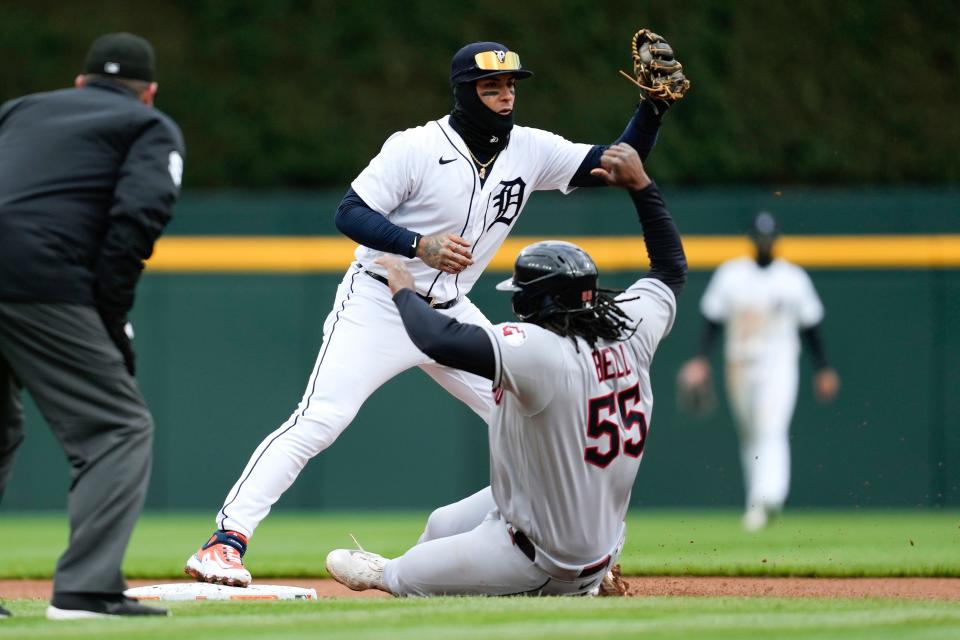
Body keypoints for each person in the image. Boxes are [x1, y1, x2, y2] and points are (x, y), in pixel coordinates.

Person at [186, 39, 686, 587]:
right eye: (490, 86)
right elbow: (349, 212)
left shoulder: (529, 148)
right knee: (321, 420)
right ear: (465, 91)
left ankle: (569, 552)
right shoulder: (416, 147)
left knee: (532, 422)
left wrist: (651, 110)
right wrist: (415, 244)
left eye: (511, 85)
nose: (504, 96)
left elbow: (615, 165)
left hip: (451, 307)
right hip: (379, 301)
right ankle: (224, 542)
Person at [323, 143, 684, 596]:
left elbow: (437, 340)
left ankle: (565, 588)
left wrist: (402, 291)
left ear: (539, 301)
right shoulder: (630, 325)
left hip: (545, 556)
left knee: (405, 574)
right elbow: (670, 269)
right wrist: (642, 187)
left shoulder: (540, 350)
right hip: (582, 515)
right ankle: (596, 573)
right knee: (441, 524)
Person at [0, 32, 184, 618]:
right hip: (37, 276)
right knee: (117, 430)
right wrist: (107, 315)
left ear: (80, 82)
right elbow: (139, 215)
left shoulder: (21, 109)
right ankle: (86, 590)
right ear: (148, 92)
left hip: (26, 268)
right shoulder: (148, 126)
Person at [677, 212, 840, 531]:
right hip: (738, 363)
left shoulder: (792, 277)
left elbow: (811, 327)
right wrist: (701, 358)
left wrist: (823, 368)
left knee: (770, 427)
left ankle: (768, 497)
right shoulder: (732, 274)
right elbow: (713, 319)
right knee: (750, 433)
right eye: (760, 237)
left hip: (779, 364)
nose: (764, 243)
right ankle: (758, 502)